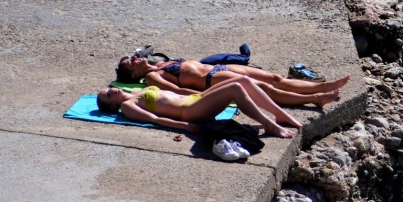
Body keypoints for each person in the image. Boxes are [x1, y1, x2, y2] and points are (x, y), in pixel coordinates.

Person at [97, 75, 300, 139]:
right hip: (190, 111)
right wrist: (186, 127)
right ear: (112, 106)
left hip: (195, 99)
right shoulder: (127, 106)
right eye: (108, 96)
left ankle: (280, 115)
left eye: (107, 90)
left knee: (243, 80)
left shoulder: (134, 92)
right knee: (236, 89)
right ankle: (269, 125)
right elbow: (154, 120)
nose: (110, 91)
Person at [115, 54, 350, 107]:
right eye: (130, 62)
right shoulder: (151, 76)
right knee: (265, 88)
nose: (135, 58)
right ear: (133, 75)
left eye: (133, 56)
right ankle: (314, 98)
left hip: (219, 68)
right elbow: (177, 89)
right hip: (212, 79)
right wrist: (205, 99)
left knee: (275, 77)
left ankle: (323, 86)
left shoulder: (159, 62)